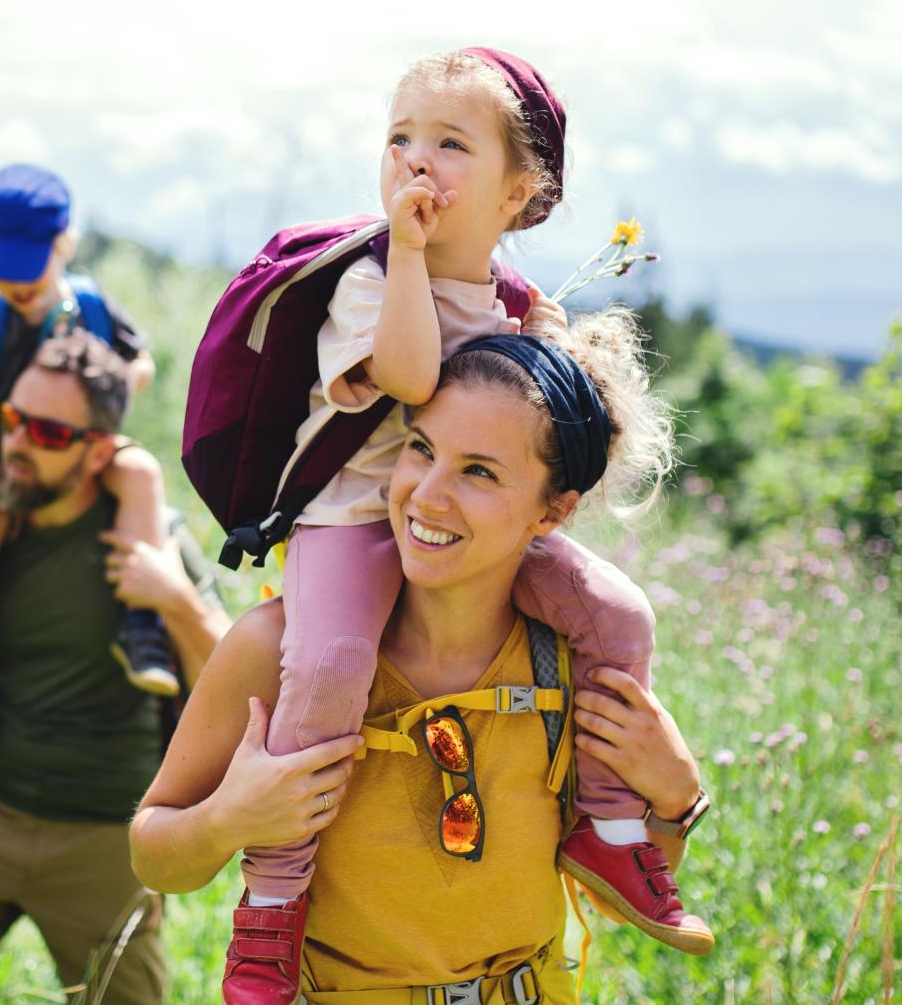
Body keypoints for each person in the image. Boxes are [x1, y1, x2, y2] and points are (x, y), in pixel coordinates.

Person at [219, 47, 712, 1003]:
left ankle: (609, 831)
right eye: (399, 137)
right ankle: (273, 909)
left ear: (522, 192)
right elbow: (409, 378)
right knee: (325, 667)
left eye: (449, 143)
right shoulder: (367, 278)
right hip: (355, 524)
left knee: (619, 616)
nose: (415, 161)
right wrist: (406, 249)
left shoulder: (517, 305)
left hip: (451, 531)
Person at [134, 321, 711, 1003]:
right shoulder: (278, 649)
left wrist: (675, 798)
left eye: (479, 471)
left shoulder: (574, 662)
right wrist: (225, 820)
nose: (428, 494)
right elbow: (153, 856)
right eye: (420, 448)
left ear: (552, 512)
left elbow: (617, 905)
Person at [0, 334, 233, 1005]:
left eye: (49, 432)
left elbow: (231, 686)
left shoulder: (150, 537)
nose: (19, 445)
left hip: (108, 840)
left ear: (98, 451)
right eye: (12, 420)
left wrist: (173, 597)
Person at [0, 163, 180, 775]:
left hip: (80, 445)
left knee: (141, 475)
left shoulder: (90, 308)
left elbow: (138, 364)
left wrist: (105, 388)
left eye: (26, 263)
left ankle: (142, 623)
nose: (15, 282)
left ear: (63, 244)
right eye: (0, 269)